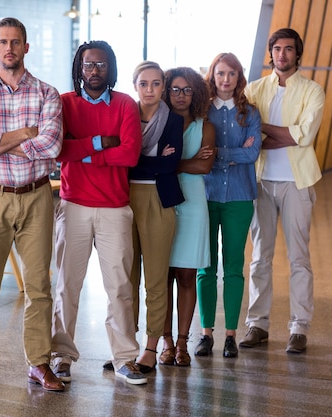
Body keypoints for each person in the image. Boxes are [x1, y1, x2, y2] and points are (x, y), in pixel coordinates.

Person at [0, 17, 64, 393]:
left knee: (39, 285)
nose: (9, 48)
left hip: (37, 196)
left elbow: (51, 148)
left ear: (26, 47)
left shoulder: (47, 94)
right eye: (3, 42)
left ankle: (39, 363)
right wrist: (24, 134)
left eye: (16, 42)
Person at [50, 41, 146, 386]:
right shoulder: (64, 103)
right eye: (88, 65)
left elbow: (130, 153)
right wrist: (100, 143)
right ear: (79, 68)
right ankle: (61, 356)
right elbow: (59, 149)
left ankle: (124, 359)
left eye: (101, 66)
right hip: (73, 205)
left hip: (115, 209)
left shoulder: (125, 104)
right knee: (67, 286)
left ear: (111, 69)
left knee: (120, 286)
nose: (94, 72)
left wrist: (84, 150)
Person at [241, 28, 325, 354]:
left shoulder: (312, 91)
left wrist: (262, 129)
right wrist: (287, 134)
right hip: (260, 182)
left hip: (297, 182)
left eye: (289, 49)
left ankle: (299, 328)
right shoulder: (253, 90)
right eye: (277, 49)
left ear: (297, 53)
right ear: (271, 52)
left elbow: (304, 136)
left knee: (299, 258)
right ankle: (257, 324)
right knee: (260, 257)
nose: (282, 55)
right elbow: (250, 133)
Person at [195, 53, 261, 358]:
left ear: (239, 77)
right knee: (205, 268)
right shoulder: (201, 112)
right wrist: (234, 151)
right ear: (212, 75)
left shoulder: (252, 114)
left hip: (239, 197)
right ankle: (206, 334)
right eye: (220, 73)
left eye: (231, 74)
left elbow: (252, 155)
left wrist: (215, 153)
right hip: (205, 197)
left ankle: (231, 335)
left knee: (234, 268)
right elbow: (198, 151)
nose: (225, 79)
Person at [129, 61, 184, 373]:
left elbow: (169, 165)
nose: (149, 90)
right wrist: (144, 159)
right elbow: (121, 161)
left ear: (163, 86)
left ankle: (151, 346)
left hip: (159, 200)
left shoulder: (173, 120)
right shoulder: (124, 113)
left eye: (155, 84)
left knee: (156, 278)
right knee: (126, 278)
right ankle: (127, 345)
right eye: (143, 84)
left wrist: (137, 160)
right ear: (134, 85)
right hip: (122, 200)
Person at [160, 67, 215, 366]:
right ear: (167, 92)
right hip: (162, 203)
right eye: (175, 90)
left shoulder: (204, 126)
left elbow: (204, 168)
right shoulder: (159, 122)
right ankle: (165, 342)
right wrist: (186, 162)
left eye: (187, 90)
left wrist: (170, 164)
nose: (181, 95)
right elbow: (149, 163)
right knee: (162, 275)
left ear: (196, 93)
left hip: (193, 205)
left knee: (186, 276)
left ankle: (183, 343)